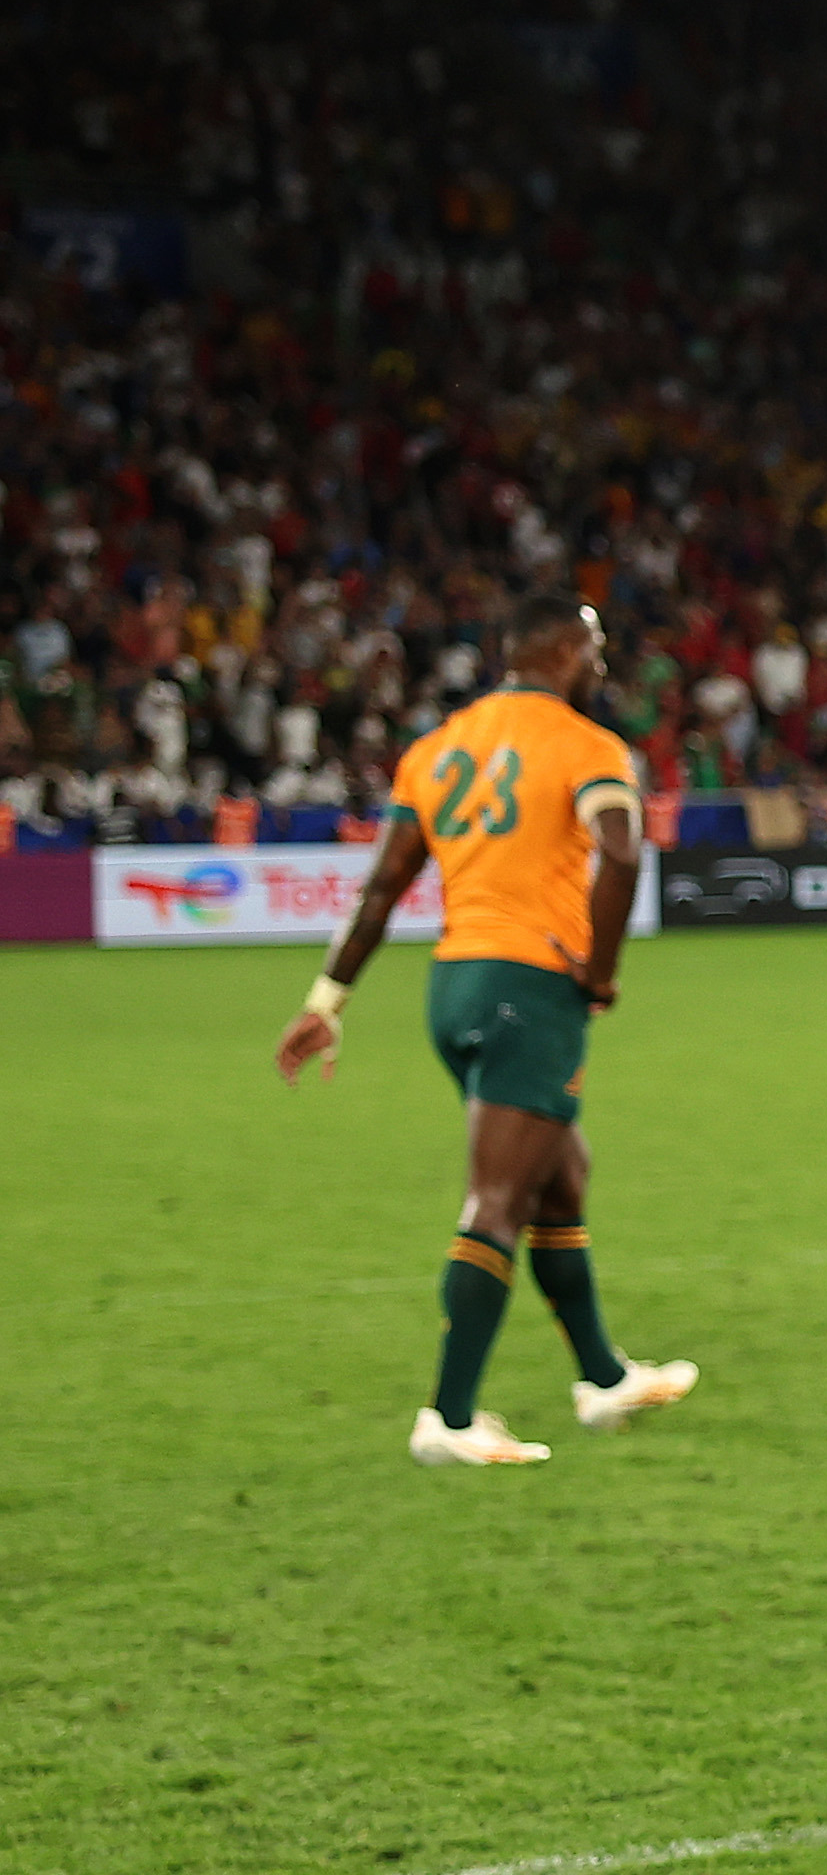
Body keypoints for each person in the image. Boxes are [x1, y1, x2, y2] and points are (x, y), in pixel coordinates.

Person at [272, 600, 696, 1466]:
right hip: (527, 986)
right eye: (599, 648)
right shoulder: (585, 745)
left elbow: (384, 885)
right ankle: (451, 1418)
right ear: (567, 651)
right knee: (497, 1199)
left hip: (457, 984)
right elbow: (621, 853)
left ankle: (604, 1376)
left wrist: (328, 999)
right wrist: (602, 972)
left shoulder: (435, 749)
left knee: (560, 1175)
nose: (604, 665)